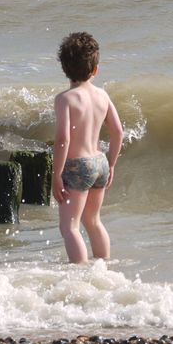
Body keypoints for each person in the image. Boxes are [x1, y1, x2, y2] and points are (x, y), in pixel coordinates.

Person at [53, 32, 123, 263]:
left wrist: (56, 175)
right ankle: (104, 267)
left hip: (77, 166)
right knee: (93, 221)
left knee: (70, 227)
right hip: (100, 162)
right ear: (95, 70)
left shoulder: (65, 99)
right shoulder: (102, 95)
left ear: (64, 68)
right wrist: (111, 164)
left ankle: (81, 274)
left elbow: (63, 139)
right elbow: (117, 131)